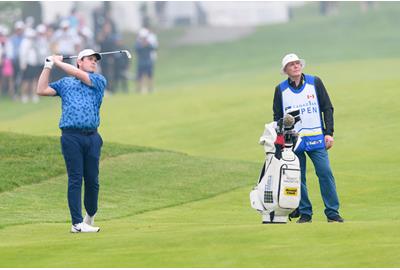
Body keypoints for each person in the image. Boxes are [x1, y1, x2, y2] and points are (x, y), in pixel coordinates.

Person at [36, 49, 107, 233]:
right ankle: (76, 223)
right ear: (79, 61)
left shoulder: (98, 80)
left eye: (95, 60)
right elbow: (41, 89)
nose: (93, 62)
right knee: (75, 179)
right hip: (71, 136)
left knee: (92, 180)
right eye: (89, 59)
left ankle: (89, 216)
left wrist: (58, 62)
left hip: (92, 137)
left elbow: (76, 74)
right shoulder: (66, 83)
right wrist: (48, 65)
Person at [272, 53, 344, 223]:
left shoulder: (315, 82)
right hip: (293, 141)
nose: (296, 66)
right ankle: (305, 213)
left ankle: (332, 212)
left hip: (317, 138)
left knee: (325, 172)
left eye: (297, 63)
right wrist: (281, 140)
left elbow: (327, 108)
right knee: (297, 177)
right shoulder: (280, 90)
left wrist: (329, 133)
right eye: (291, 65)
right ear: (286, 70)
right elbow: (277, 117)